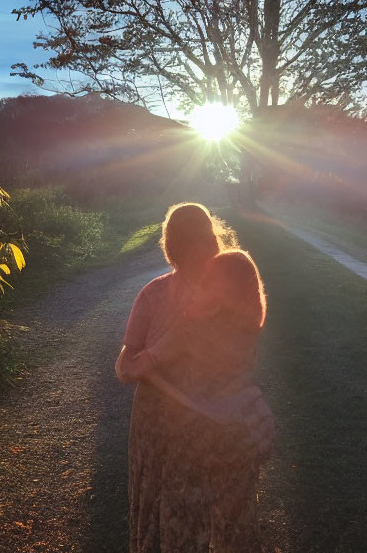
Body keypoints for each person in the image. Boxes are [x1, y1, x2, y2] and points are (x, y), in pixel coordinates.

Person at [116, 203, 272, 553]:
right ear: (211, 236)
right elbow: (127, 368)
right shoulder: (233, 279)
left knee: (173, 517)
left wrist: (156, 359)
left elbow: (126, 369)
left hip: (179, 425)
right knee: (220, 519)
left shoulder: (161, 293)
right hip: (209, 424)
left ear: (168, 244)